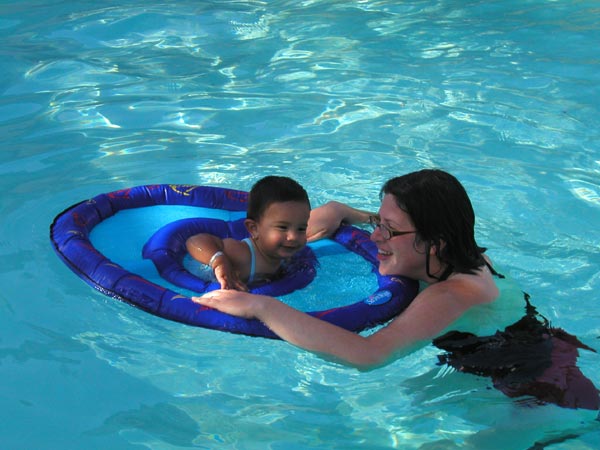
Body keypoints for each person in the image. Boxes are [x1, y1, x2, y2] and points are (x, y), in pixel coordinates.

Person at [192, 169, 506, 368]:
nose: (374, 237)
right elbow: (282, 236)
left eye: (389, 230)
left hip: (520, 392)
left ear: (434, 243)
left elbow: (368, 355)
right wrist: (339, 211)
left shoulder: (451, 295)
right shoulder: (455, 255)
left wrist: (261, 307)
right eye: (376, 222)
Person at [186, 175, 311, 291]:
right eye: (283, 227)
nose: (293, 237)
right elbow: (194, 241)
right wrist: (219, 261)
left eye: (301, 228)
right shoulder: (242, 254)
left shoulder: (287, 255)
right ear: (253, 229)